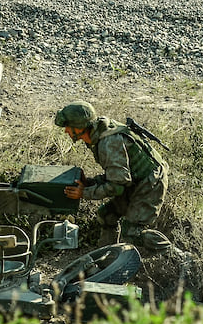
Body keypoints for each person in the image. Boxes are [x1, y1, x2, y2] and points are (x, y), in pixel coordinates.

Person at [54, 100, 173, 257]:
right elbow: (117, 176)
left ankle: (178, 257)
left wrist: (84, 193)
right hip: (135, 180)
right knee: (106, 216)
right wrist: (89, 183)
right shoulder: (98, 132)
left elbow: (117, 186)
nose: (66, 131)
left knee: (132, 231)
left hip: (149, 183)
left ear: (80, 127)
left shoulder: (108, 142)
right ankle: (108, 258)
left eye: (68, 127)